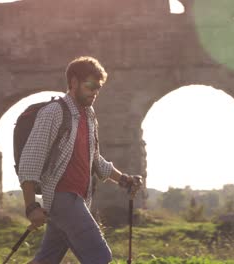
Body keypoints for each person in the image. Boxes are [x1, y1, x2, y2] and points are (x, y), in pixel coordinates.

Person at [18, 56, 142, 264]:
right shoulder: (53, 113)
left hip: (78, 199)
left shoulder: (89, 115)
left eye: (98, 87)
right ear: (74, 82)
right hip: (62, 198)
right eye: (90, 85)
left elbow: (95, 159)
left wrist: (124, 179)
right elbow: (30, 160)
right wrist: (31, 206)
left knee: (46, 260)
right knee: (100, 256)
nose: (95, 92)